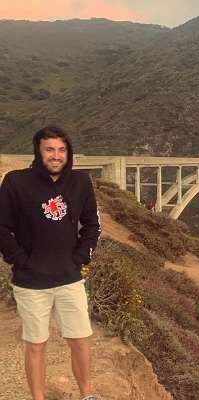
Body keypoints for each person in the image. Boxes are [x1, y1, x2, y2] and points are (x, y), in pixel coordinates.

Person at [0, 126, 101, 400]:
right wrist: (21, 261)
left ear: (67, 153)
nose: (56, 155)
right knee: (35, 344)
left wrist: (79, 258)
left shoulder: (81, 182)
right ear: (38, 151)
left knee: (80, 340)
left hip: (70, 278)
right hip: (31, 282)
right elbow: (1, 227)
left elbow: (93, 226)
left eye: (61, 150)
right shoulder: (16, 182)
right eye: (49, 149)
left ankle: (87, 395)